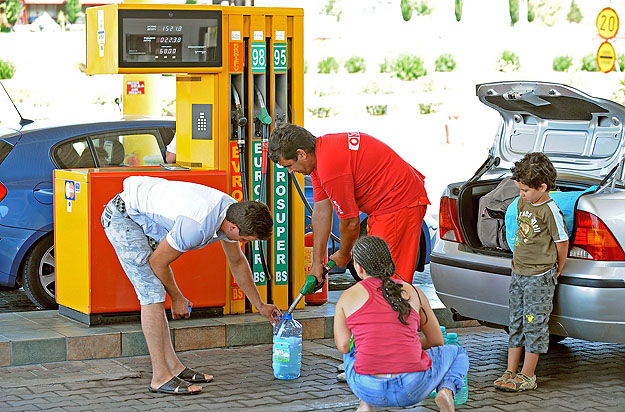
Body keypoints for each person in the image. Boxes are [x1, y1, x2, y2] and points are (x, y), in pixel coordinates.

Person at [101, 176, 281, 395]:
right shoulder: (197, 225)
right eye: (246, 240)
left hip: (144, 217)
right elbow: (157, 262)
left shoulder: (232, 211)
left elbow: (237, 262)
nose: (244, 244)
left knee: (155, 291)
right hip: (124, 217)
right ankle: (160, 377)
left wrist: (260, 305)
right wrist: (177, 297)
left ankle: (174, 368)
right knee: (151, 294)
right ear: (234, 227)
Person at [268, 123, 429, 285]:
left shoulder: (330, 168)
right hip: (384, 206)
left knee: (388, 284)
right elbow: (321, 212)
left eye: (289, 165)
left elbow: (351, 222)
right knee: (377, 279)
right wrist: (317, 263)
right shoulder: (320, 156)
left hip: (399, 203)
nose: (290, 171)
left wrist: (344, 254)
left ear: (301, 154)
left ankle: (407, 309)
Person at [334, 235, 469, 412]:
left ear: (358, 267)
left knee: (351, 349)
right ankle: (446, 390)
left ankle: (365, 404)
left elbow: (343, 346)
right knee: (457, 352)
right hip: (413, 386)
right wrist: (406, 346)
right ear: (389, 262)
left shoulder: (347, 297)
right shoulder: (414, 291)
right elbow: (437, 340)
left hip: (368, 387)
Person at [494, 152, 569, 392]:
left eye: (525, 190)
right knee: (515, 321)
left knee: (533, 323)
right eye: (519, 190)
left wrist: (557, 269)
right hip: (519, 273)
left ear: (542, 187)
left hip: (539, 276)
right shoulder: (522, 202)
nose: (521, 195)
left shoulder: (550, 211)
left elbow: (561, 243)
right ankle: (510, 370)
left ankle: (528, 375)